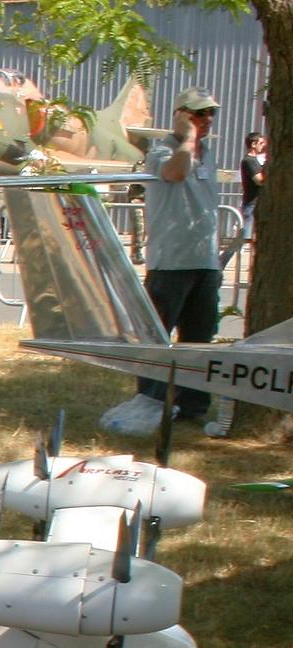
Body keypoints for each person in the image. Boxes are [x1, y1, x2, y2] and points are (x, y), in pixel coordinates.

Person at [101, 88, 224, 436]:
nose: (207, 120)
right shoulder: (160, 151)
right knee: (157, 336)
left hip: (205, 261)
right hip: (170, 263)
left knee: (200, 337)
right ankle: (151, 400)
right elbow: (175, 173)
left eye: (210, 113)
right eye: (199, 114)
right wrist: (185, 140)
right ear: (181, 114)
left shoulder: (209, 153)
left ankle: (192, 405)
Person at [225, 131, 264, 267]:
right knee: (242, 237)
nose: (263, 146)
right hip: (251, 205)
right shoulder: (249, 161)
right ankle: (222, 262)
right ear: (253, 144)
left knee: (254, 239)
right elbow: (259, 180)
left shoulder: (255, 161)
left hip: (255, 205)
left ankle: (253, 267)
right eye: (261, 143)